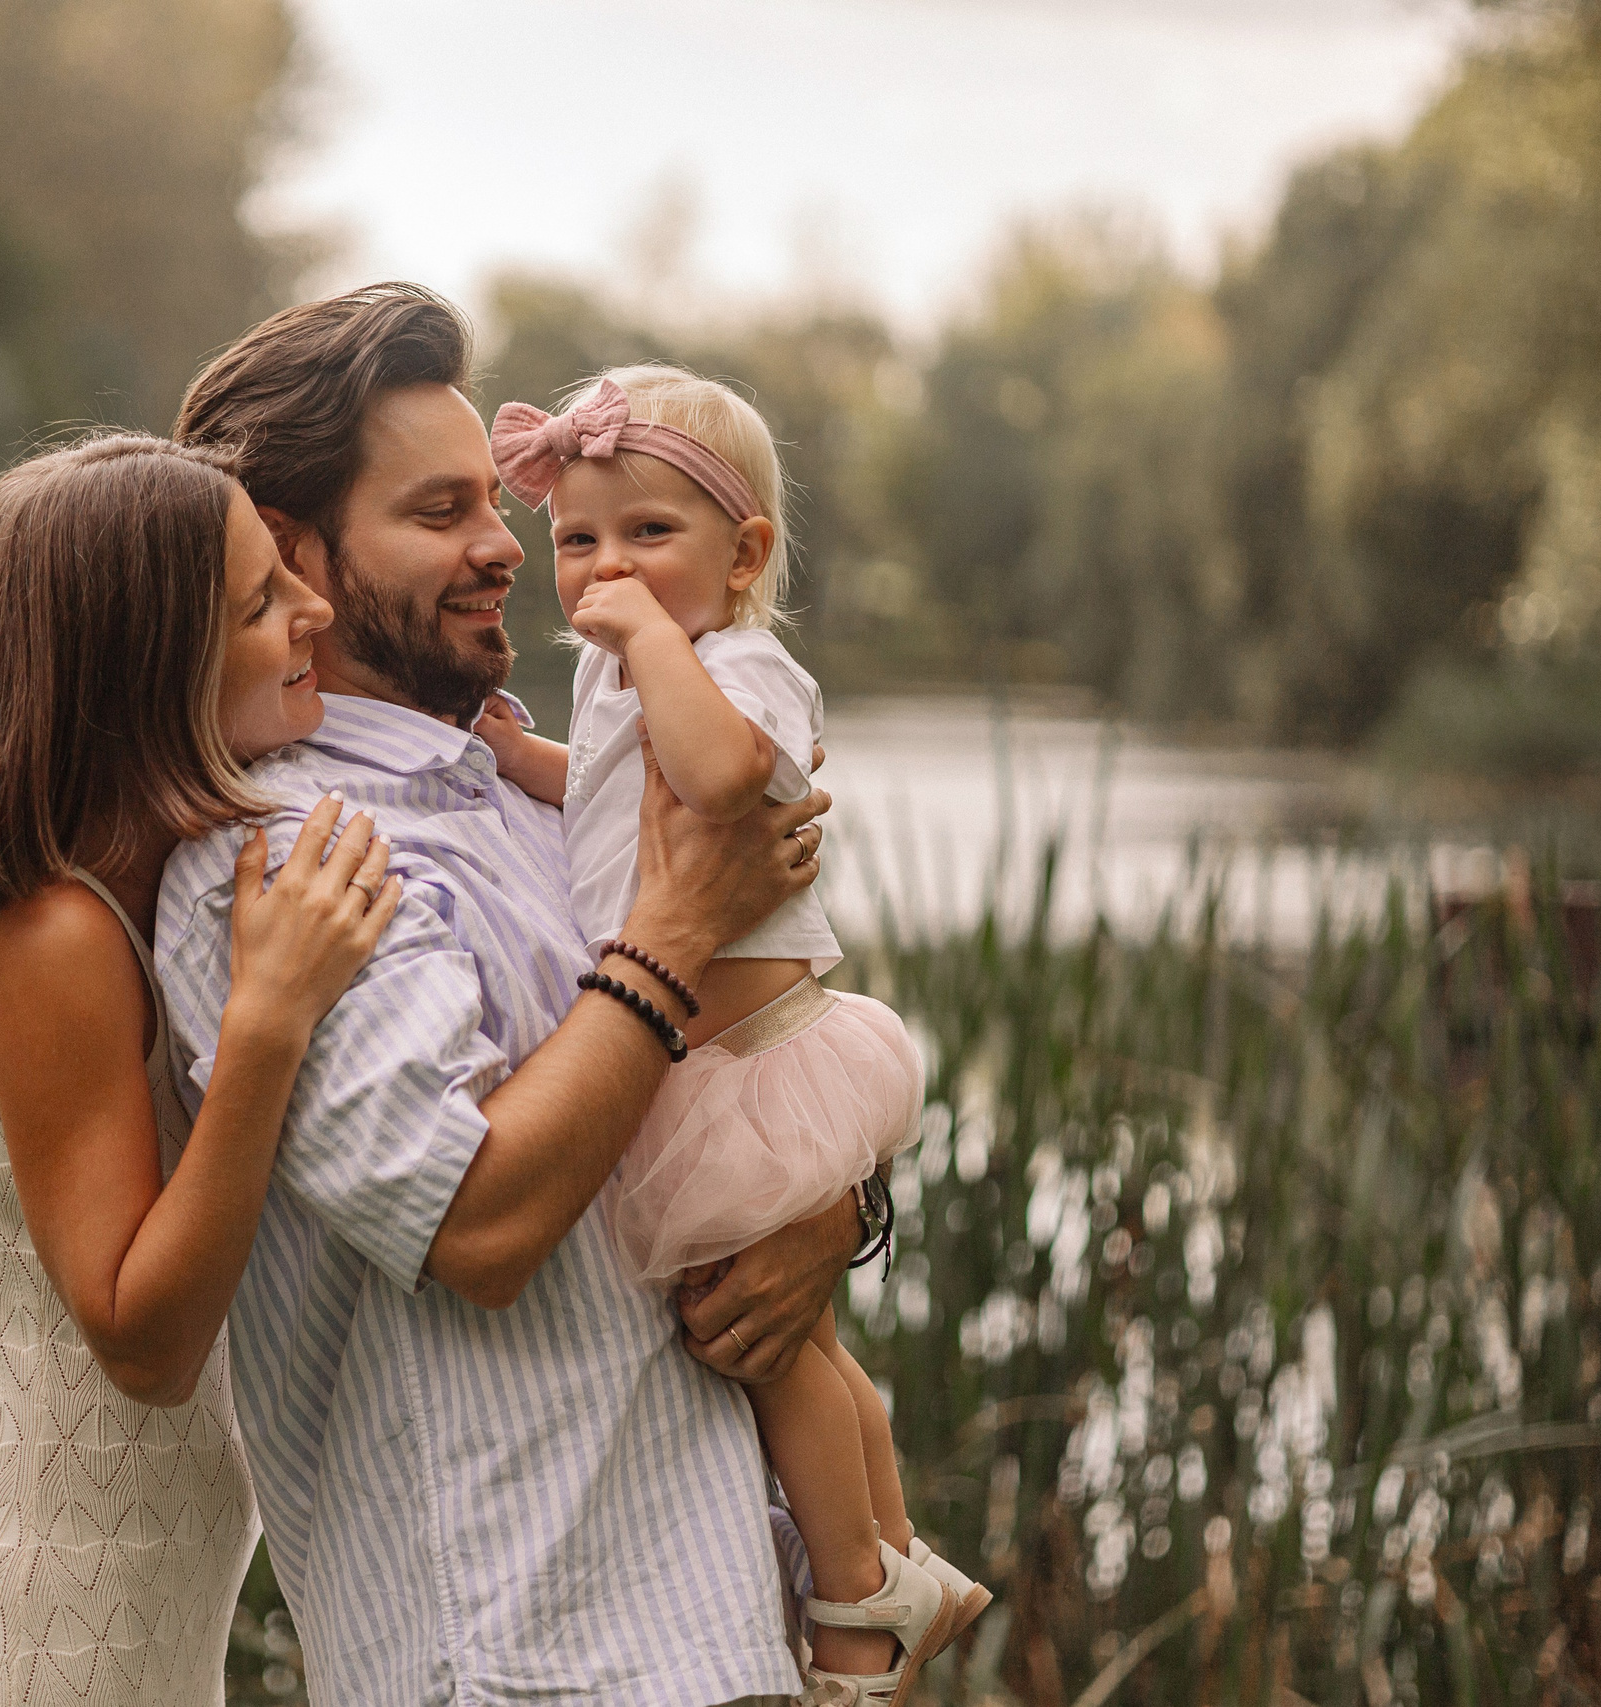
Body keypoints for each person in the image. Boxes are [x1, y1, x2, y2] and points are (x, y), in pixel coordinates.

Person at [156, 283, 851, 1707]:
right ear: (296, 555)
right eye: (439, 512)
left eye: (493, 501)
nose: (505, 548)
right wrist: (670, 928)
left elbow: (730, 1042)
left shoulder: (533, 796)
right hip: (522, 1660)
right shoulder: (291, 860)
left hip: (722, 1616)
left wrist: (831, 1208)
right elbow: (474, 1221)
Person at [0, 434, 406, 1705]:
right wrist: (268, 1025)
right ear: (151, 667)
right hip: (37, 1626)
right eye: (263, 600)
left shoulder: (147, 894)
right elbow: (141, 1343)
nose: (312, 609)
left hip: (122, 1614)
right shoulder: (53, 938)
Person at [479, 367, 990, 1705]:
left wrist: (649, 644)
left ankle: (856, 1609)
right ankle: (902, 1549)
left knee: (769, 1362)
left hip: (761, 1059)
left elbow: (716, 773)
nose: (606, 569)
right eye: (578, 539)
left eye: (649, 533)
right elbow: (601, 786)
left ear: (745, 550)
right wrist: (503, 754)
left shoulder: (736, 661)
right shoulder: (623, 673)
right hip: (707, 1068)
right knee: (809, 1344)